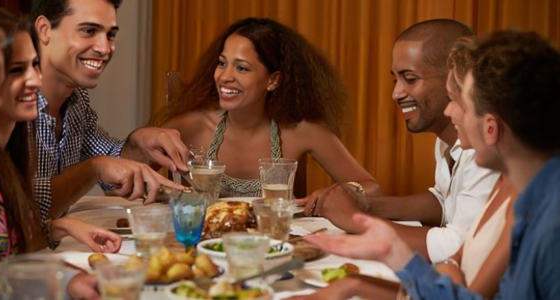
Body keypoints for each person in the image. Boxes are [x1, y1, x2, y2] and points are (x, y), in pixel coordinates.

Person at [297, 30, 560, 300]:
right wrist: (390, 249)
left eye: (461, 104)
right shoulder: (525, 191)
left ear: (490, 128)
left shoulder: (549, 222)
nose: (449, 111)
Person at [297, 19, 499, 263]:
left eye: (410, 79)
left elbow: (459, 246)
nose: (396, 93)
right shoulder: (447, 140)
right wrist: (365, 205)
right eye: (396, 80)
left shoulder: (487, 151)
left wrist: (356, 220)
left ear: (454, 79)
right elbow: (445, 200)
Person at [153, 17, 379, 198]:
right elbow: (128, 175)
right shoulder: (190, 126)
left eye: (241, 68)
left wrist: (334, 193)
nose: (225, 76)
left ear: (273, 81)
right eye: (222, 63)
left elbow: (371, 188)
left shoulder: (300, 130)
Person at [0, 6, 122, 258]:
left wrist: (58, 227)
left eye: (34, 64)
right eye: (15, 70)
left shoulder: (5, 153)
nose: (35, 79)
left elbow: (5, 245)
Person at [30, 0, 189, 222]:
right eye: (88, 31)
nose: (104, 48)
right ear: (45, 30)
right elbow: (18, 210)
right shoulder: (7, 100)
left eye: (110, 35)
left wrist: (138, 142)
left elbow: (109, 167)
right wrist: (94, 169)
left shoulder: (77, 100)